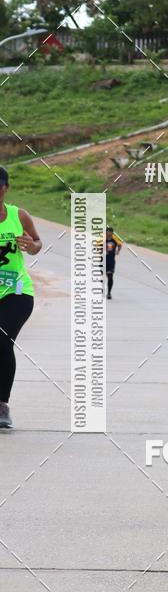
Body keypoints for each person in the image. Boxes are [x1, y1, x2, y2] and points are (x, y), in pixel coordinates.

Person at [0, 165, 42, 428]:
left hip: (17, 291)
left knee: (2, 341)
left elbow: (37, 243)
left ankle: (2, 406)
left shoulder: (19, 215)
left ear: (5, 188)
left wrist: (31, 245)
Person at [105, 227, 122, 299]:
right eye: (107, 232)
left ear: (112, 233)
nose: (108, 234)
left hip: (111, 260)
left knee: (110, 276)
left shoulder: (115, 239)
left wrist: (118, 251)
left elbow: (120, 244)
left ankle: (109, 293)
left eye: (110, 232)